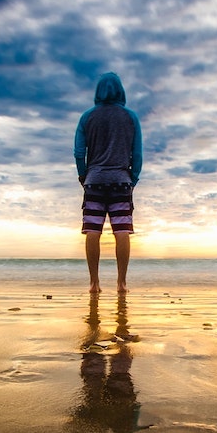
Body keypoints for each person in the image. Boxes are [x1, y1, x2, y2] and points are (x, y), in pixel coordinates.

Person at [74, 72, 142, 294]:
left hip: (94, 181)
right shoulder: (130, 117)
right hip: (121, 181)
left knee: (92, 230)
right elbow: (137, 153)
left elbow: (78, 152)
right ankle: (121, 283)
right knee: (122, 231)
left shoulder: (87, 117)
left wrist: (83, 175)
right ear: (121, 90)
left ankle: (94, 283)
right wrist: (133, 178)